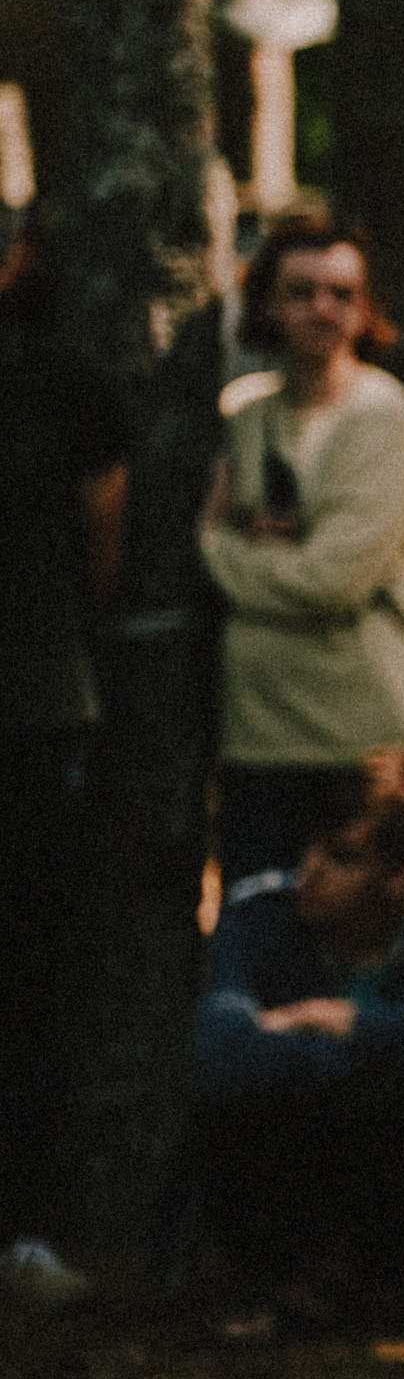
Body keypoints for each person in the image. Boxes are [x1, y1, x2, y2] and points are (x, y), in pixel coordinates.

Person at [187, 758, 404, 1344]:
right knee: (239, 1096)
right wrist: (385, 1056)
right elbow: (221, 1050)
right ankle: (309, 1283)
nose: (311, 874)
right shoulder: (259, 915)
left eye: (343, 858)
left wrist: (348, 1024)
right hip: (314, 1157)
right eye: (311, 851)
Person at [201, 213, 404, 887]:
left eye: (343, 293)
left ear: (366, 309)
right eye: (302, 290)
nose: (323, 308)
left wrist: (214, 547)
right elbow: (307, 569)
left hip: (366, 739)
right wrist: (281, 552)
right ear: (267, 302)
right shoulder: (244, 415)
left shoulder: (381, 414)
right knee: (260, 934)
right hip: (260, 739)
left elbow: (330, 580)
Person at [0, 214, 126, 1311]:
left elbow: (105, 544)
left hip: (36, 717)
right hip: (43, 706)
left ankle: (29, 1224)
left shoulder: (64, 388)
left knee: (32, 981)